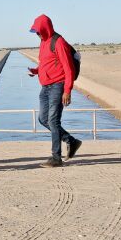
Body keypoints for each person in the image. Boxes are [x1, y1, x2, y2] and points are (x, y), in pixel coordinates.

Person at [25, 14, 82, 167]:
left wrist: (67, 90)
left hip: (58, 86)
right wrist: (36, 71)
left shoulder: (59, 42)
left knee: (53, 121)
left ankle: (56, 158)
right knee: (43, 119)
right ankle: (71, 141)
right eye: (36, 32)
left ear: (45, 28)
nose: (37, 34)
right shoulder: (43, 42)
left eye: (39, 31)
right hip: (45, 87)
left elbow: (69, 68)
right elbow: (46, 62)